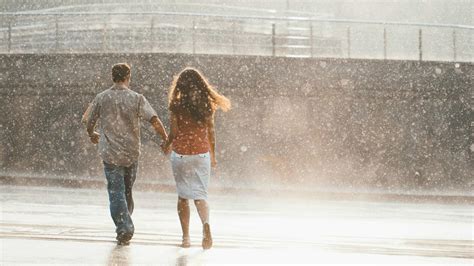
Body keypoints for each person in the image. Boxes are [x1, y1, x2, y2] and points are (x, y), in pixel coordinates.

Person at [85, 63, 168, 245]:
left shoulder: (102, 97)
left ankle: (124, 225)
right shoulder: (137, 98)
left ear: (112, 76)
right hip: (131, 152)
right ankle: (124, 226)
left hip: (110, 152)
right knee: (127, 190)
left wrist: (92, 134)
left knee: (116, 192)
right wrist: (166, 139)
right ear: (128, 77)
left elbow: (89, 121)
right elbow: (154, 119)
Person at [162, 68, 231, 249]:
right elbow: (211, 133)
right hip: (201, 154)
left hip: (181, 154)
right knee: (200, 195)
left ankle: (185, 238)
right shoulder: (207, 105)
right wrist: (213, 156)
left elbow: (174, 132)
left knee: (183, 196)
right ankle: (206, 224)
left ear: (180, 85)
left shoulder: (176, 105)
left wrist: (167, 143)